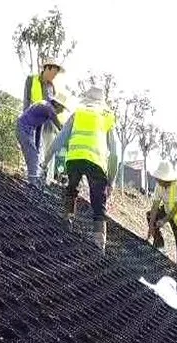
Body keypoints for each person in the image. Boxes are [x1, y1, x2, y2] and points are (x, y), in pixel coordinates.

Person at [42, 86, 118, 252]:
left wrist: (45, 161)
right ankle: (99, 246)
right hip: (96, 162)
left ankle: (67, 224)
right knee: (99, 205)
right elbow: (115, 153)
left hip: (74, 158)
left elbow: (60, 139)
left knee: (71, 190)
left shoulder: (78, 113)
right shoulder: (107, 116)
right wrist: (111, 180)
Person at [145, 161, 177, 271]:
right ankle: (160, 245)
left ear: (166, 179)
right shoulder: (159, 186)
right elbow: (155, 206)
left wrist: (163, 221)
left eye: (160, 179)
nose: (157, 181)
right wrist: (151, 226)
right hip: (168, 209)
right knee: (150, 216)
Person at [15, 97, 66, 186]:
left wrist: (37, 146)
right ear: (57, 104)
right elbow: (59, 126)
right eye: (62, 109)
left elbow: (38, 129)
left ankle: (33, 181)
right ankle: (33, 184)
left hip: (26, 130)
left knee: (35, 155)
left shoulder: (44, 107)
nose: (61, 112)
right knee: (33, 157)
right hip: (24, 129)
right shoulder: (47, 107)